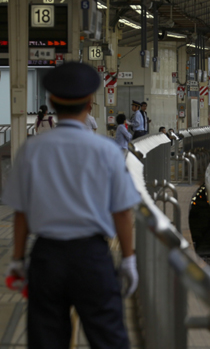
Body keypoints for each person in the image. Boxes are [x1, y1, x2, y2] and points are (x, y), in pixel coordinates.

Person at [2, 62, 141, 349]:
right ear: (90, 104)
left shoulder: (31, 150)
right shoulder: (106, 151)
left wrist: (17, 259)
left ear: (52, 103)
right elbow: (122, 212)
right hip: (92, 259)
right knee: (109, 338)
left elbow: (21, 213)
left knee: (46, 339)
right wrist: (128, 259)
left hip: (46, 258)